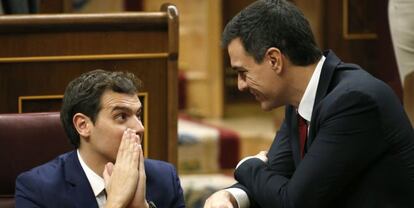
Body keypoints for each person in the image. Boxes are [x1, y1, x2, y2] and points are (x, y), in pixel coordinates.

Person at [204, 0, 414, 207]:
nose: (240, 85)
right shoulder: (299, 102)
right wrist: (232, 196)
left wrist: (245, 165)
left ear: (274, 60)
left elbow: (294, 202)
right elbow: (274, 176)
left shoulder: (354, 101)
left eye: (243, 72)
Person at [15, 70, 185, 208]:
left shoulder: (164, 178)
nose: (140, 128)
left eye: (138, 115)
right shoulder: (38, 189)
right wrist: (115, 202)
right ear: (83, 125)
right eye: (121, 116)